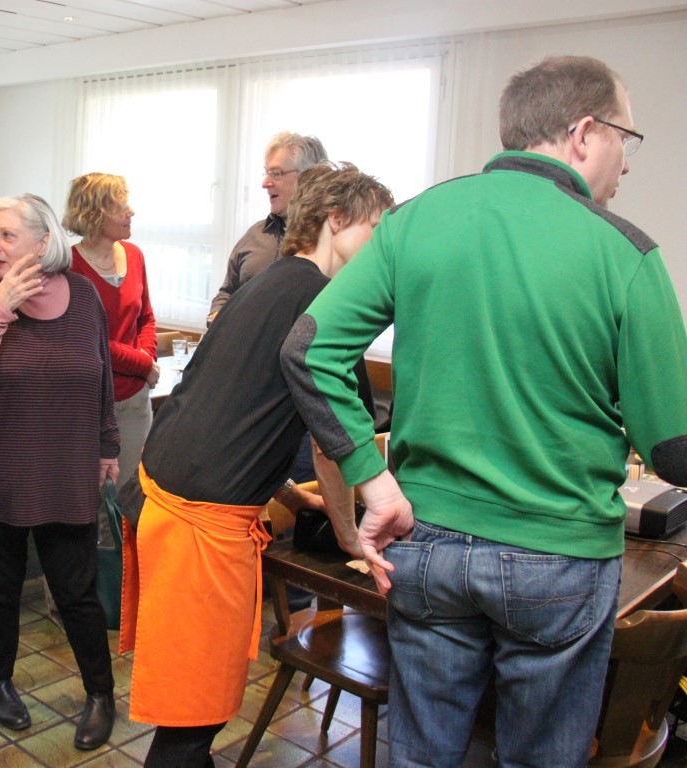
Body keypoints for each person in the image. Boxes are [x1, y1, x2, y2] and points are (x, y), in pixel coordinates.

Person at [282, 56, 687, 767]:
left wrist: (374, 482)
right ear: (584, 132)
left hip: (426, 543)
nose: (627, 162)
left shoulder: (414, 221)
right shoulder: (626, 252)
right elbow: (673, 451)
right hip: (558, 558)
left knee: (422, 755)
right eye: (626, 138)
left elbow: (309, 350)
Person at [123, 163, 393, 767]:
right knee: (193, 717)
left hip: (163, 496)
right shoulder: (325, 302)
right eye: (376, 229)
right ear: (337, 221)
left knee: (193, 707)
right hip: (197, 523)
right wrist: (350, 535)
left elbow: (242, 409)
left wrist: (292, 497)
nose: (382, 247)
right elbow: (330, 442)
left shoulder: (269, 282)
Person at [0, 194, 119, 750]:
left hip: (66, 471)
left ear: (44, 242)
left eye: (6, 235)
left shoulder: (85, 296)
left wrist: (107, 446)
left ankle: (101, 694)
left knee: (77, 592)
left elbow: (101, 377)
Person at [63, 172, 158, 488]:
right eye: (121, 206)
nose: (131, 212)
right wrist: (143, 364)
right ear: (95, 213)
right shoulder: (69, 266)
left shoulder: (135, 255)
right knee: (89, 498)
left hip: (134, 400)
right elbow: (88, 341)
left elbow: (146, 318)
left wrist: (146, 359)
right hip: (88, 402)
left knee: (130, 495)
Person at [206, 131, 328, 324]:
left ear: (309, 178)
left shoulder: (331, 242)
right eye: (266, 172)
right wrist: (216, 318)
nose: (265, 183)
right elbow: (227, 293)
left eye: (276, 173)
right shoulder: (254, 235)